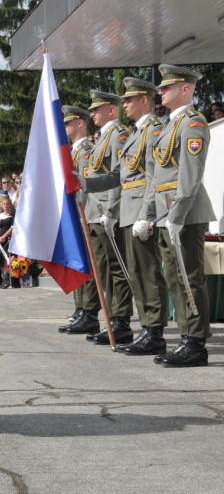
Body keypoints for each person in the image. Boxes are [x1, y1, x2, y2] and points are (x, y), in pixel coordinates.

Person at [80, 78, 168, 348]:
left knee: (147, 272)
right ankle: (147, 328)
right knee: (135, 271)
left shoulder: (153, 130)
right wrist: (86, 183)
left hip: (140, 208)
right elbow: (119, 175)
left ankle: (153, 331)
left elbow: (154, 177)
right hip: (129, 209)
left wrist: (144, 212)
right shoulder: (134, 133)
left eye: (129, 99)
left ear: (144, 100)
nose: (125, 104)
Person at [139, 65, 215, 367]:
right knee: (174, 277)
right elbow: (156, 176)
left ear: (186, 89)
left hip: (185, 213)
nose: (161, 92)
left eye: (167, 88)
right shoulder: (169, 125)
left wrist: (177, 214)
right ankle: (186, 337)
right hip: (166, 213)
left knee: (189, 277)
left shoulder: (193, 123)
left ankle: (195, 343)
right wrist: (148, 214)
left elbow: (191, 174)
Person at [65, 90, 132, 336]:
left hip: (103, 212)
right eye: (91, 110)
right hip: (92, 212)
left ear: (111, 110)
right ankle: (100, 315)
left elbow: (118, 176)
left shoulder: (118, 136)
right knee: (99, 268)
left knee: (113, 269)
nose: (92, 113)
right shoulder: (101, 139)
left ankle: (118, 320)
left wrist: (112, 210)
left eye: (96, 109)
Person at [58, 106, 95, 331]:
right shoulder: (72, 151)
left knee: (87, 264)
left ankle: (89, 313)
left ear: (80, 123)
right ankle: (81, 308)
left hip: (86, 213)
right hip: (75, 214)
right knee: (77, 263)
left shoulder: (87, 150)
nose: (65, 128)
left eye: (68, 123)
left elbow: (89, 187)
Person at [0, 197, 15, 289]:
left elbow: (12, 228)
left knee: (8, 259)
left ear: (10, 204)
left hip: (9, 239)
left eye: (7, 204)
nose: (6, 205)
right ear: (1, 205)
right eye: (4, 204)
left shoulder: (12, 215)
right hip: (0, 240)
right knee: (1, 261)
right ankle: (4, 278)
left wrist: (4, 236)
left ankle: (9, 280)